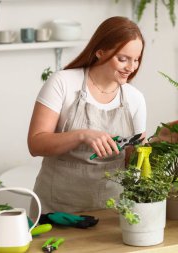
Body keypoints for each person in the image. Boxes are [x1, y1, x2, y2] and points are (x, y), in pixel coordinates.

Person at [28, 16, 146, 214]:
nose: (131, 67)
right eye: (123, 59)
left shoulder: (135, 98)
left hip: (112, 210)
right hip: (57, 209)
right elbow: (35, 144)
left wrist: (160, 143)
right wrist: (82, 135)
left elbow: (132, 161)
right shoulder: (62, 83)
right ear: (100, 52)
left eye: (136, 60)